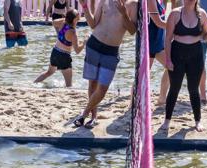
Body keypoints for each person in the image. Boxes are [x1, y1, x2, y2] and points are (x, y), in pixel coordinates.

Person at [72, 0, 136, 128]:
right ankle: (93, 117)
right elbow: (93, 24)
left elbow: (132, 30)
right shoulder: (105, 1)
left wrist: (124, 14)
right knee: (92, 84)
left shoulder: (133, 5)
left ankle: (83, 114)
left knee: (102, 89)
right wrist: (85, 6)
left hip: (111, 51)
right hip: (94, 45)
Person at [164, 0, 207, 131]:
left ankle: (197, 120)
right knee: (174, 88)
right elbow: (168, 38)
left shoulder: (202, 14)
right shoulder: (175, 14)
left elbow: (206, 37)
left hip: (195, 53)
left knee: (193, 89)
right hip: (177, 52)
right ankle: (167, 120)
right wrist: (168, 59)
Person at [35, 9, 86, 86]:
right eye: (78, 18)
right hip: (64, 56)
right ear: (74, 19)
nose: (79, 19)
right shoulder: (72, 32)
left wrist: (63, 21)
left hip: (55, 52)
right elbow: (77, 51)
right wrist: (84, 42)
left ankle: (34, 84)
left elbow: (54, 22)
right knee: (69, 85)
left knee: (49, 72)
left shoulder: (63, 23)